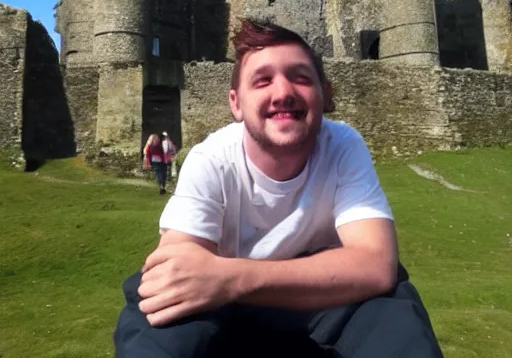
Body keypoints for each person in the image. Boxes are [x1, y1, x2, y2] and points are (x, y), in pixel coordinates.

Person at [115, 19, 443, 357]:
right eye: (263, 80)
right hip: (224, 310)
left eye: (300, 78)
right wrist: (222, 284)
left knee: (391, 309)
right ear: (236, 104)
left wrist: (233, 278)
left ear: (326, 95)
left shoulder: (343, 144)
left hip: (313, 300)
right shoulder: (210, 159)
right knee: (155, 309)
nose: (283, 93)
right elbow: (174, 273)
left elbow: (377, 265)